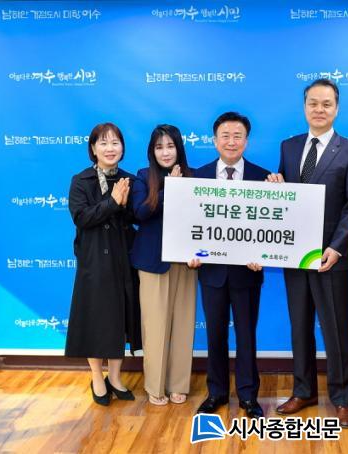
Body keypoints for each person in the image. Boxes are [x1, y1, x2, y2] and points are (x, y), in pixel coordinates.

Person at [267, 79, 348, 428]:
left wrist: (336, 248)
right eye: (313, 103)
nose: (319, 109)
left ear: (336, 108)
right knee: (300, 327)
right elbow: (288, 198)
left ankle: (343, 398)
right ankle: (304, 390)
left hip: (331, 257)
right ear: (304, 106)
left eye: (326, 104)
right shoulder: (289, 146)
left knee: (336, 330)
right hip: (295, 255)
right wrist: (276, 187)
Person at [192, 112, 270, 418]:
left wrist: (264, 254)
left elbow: (272, 227)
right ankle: (217, 392)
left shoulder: (264, 178)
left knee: (247, 335)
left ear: (246, 141)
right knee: (215, 335)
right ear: (214, 141)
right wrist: (189, 251)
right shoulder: (197, 177)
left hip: (247, 273)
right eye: (225, 135)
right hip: (211, 272)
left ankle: (248, 396)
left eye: (238, 136)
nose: (231, 141)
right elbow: (188, 223)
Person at [65, 122, 142, 406]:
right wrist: (112, 202)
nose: (110, 148)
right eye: (104, 143)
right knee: (95, 319)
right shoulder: (80, 180)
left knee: (118, 318)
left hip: (123, 257)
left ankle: (116, 377)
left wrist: (126, 204)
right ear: (93, 148)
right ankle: (97, 377)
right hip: (94, 259)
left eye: (115, 143)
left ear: (122, 147)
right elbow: (82, 218)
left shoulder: (130, 180)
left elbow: (136, 218)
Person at [130, 124, 197, 406]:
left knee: (183, 325)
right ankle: (155, 387)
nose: (165, 152)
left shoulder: (195, 176)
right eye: (159, 147)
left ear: (179, 148)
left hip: (186, 262)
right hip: (152, 262)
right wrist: (172, 188)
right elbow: (140, 212)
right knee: (155, 327)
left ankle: (178, 384)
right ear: (152, 151)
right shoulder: (143, 176)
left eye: (170, 146)